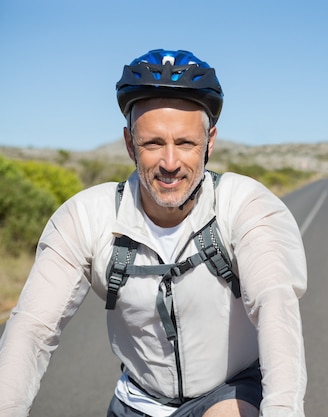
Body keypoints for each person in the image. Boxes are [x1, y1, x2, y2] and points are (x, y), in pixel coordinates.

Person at [0, 49, 307, 417]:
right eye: (153, 143)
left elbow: (275, 306)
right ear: (130, 144)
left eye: (185, 143)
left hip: (229, 391)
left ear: (209, 142)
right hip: (137, 400)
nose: (170, 163)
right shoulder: (87, 216)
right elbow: (32, 328)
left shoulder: (246, 205)